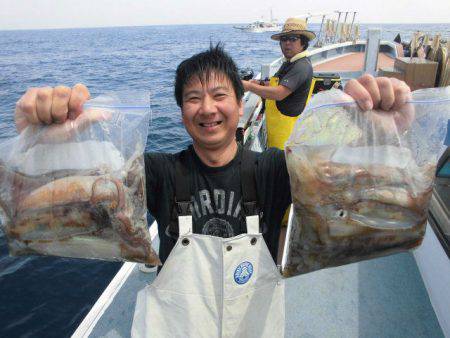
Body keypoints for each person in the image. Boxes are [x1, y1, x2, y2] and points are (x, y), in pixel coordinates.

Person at [14, 45, 412, 337]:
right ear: (182, 112)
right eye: (193, 98)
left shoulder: (274, 169)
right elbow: (80, 189)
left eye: (220, 95)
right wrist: (44, 141)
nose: (207, 108)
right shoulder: (161, 173)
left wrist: (377, 131)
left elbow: (344, 178)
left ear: (241, 106)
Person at [242, 17, 316, 150]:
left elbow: (279, 93)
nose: (287, 43)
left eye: (293, 39)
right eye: (284, 39)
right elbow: (278, 83)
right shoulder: (289, 62)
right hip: (278, 133)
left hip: (287, 138)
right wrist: (260, 83)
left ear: (303, 43)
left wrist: (249, 86)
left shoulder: (301, 66)